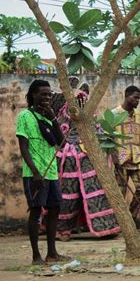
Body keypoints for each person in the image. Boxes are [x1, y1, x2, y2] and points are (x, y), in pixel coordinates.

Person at [47, 79, 120, 241]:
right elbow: (58, 135)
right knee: (68, 192)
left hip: (89, 156)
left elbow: (99, 134)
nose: (81, 102)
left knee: (97, 191)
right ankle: (63, 229)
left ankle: (105, 226)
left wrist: (110, 151)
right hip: (68, 158)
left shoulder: (90, 116)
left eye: (83, 100)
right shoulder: (64, 116)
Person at [16, 79, 66, 264]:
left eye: (49, 94)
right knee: (36, 212)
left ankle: (52, 253)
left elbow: (62, 142)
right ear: (33, 94)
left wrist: (53, 117)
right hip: (34, 174)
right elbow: (23, 147)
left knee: (54, 209)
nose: (47, 97)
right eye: (43, 94)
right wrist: (36, 172)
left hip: (51, 172)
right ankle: (36, 255)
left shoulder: (47, 118)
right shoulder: (24, 116)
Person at [112, 86, 140, 220]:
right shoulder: (114, 114)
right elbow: (106, 137)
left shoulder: (137, 114)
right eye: (135, 97)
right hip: (121, 159)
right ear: (127, 96)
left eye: (139, 98)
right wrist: (114, 156)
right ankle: (120, 222)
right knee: (120, 194)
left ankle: (131, 216)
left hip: (136, 157)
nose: (137, 100)